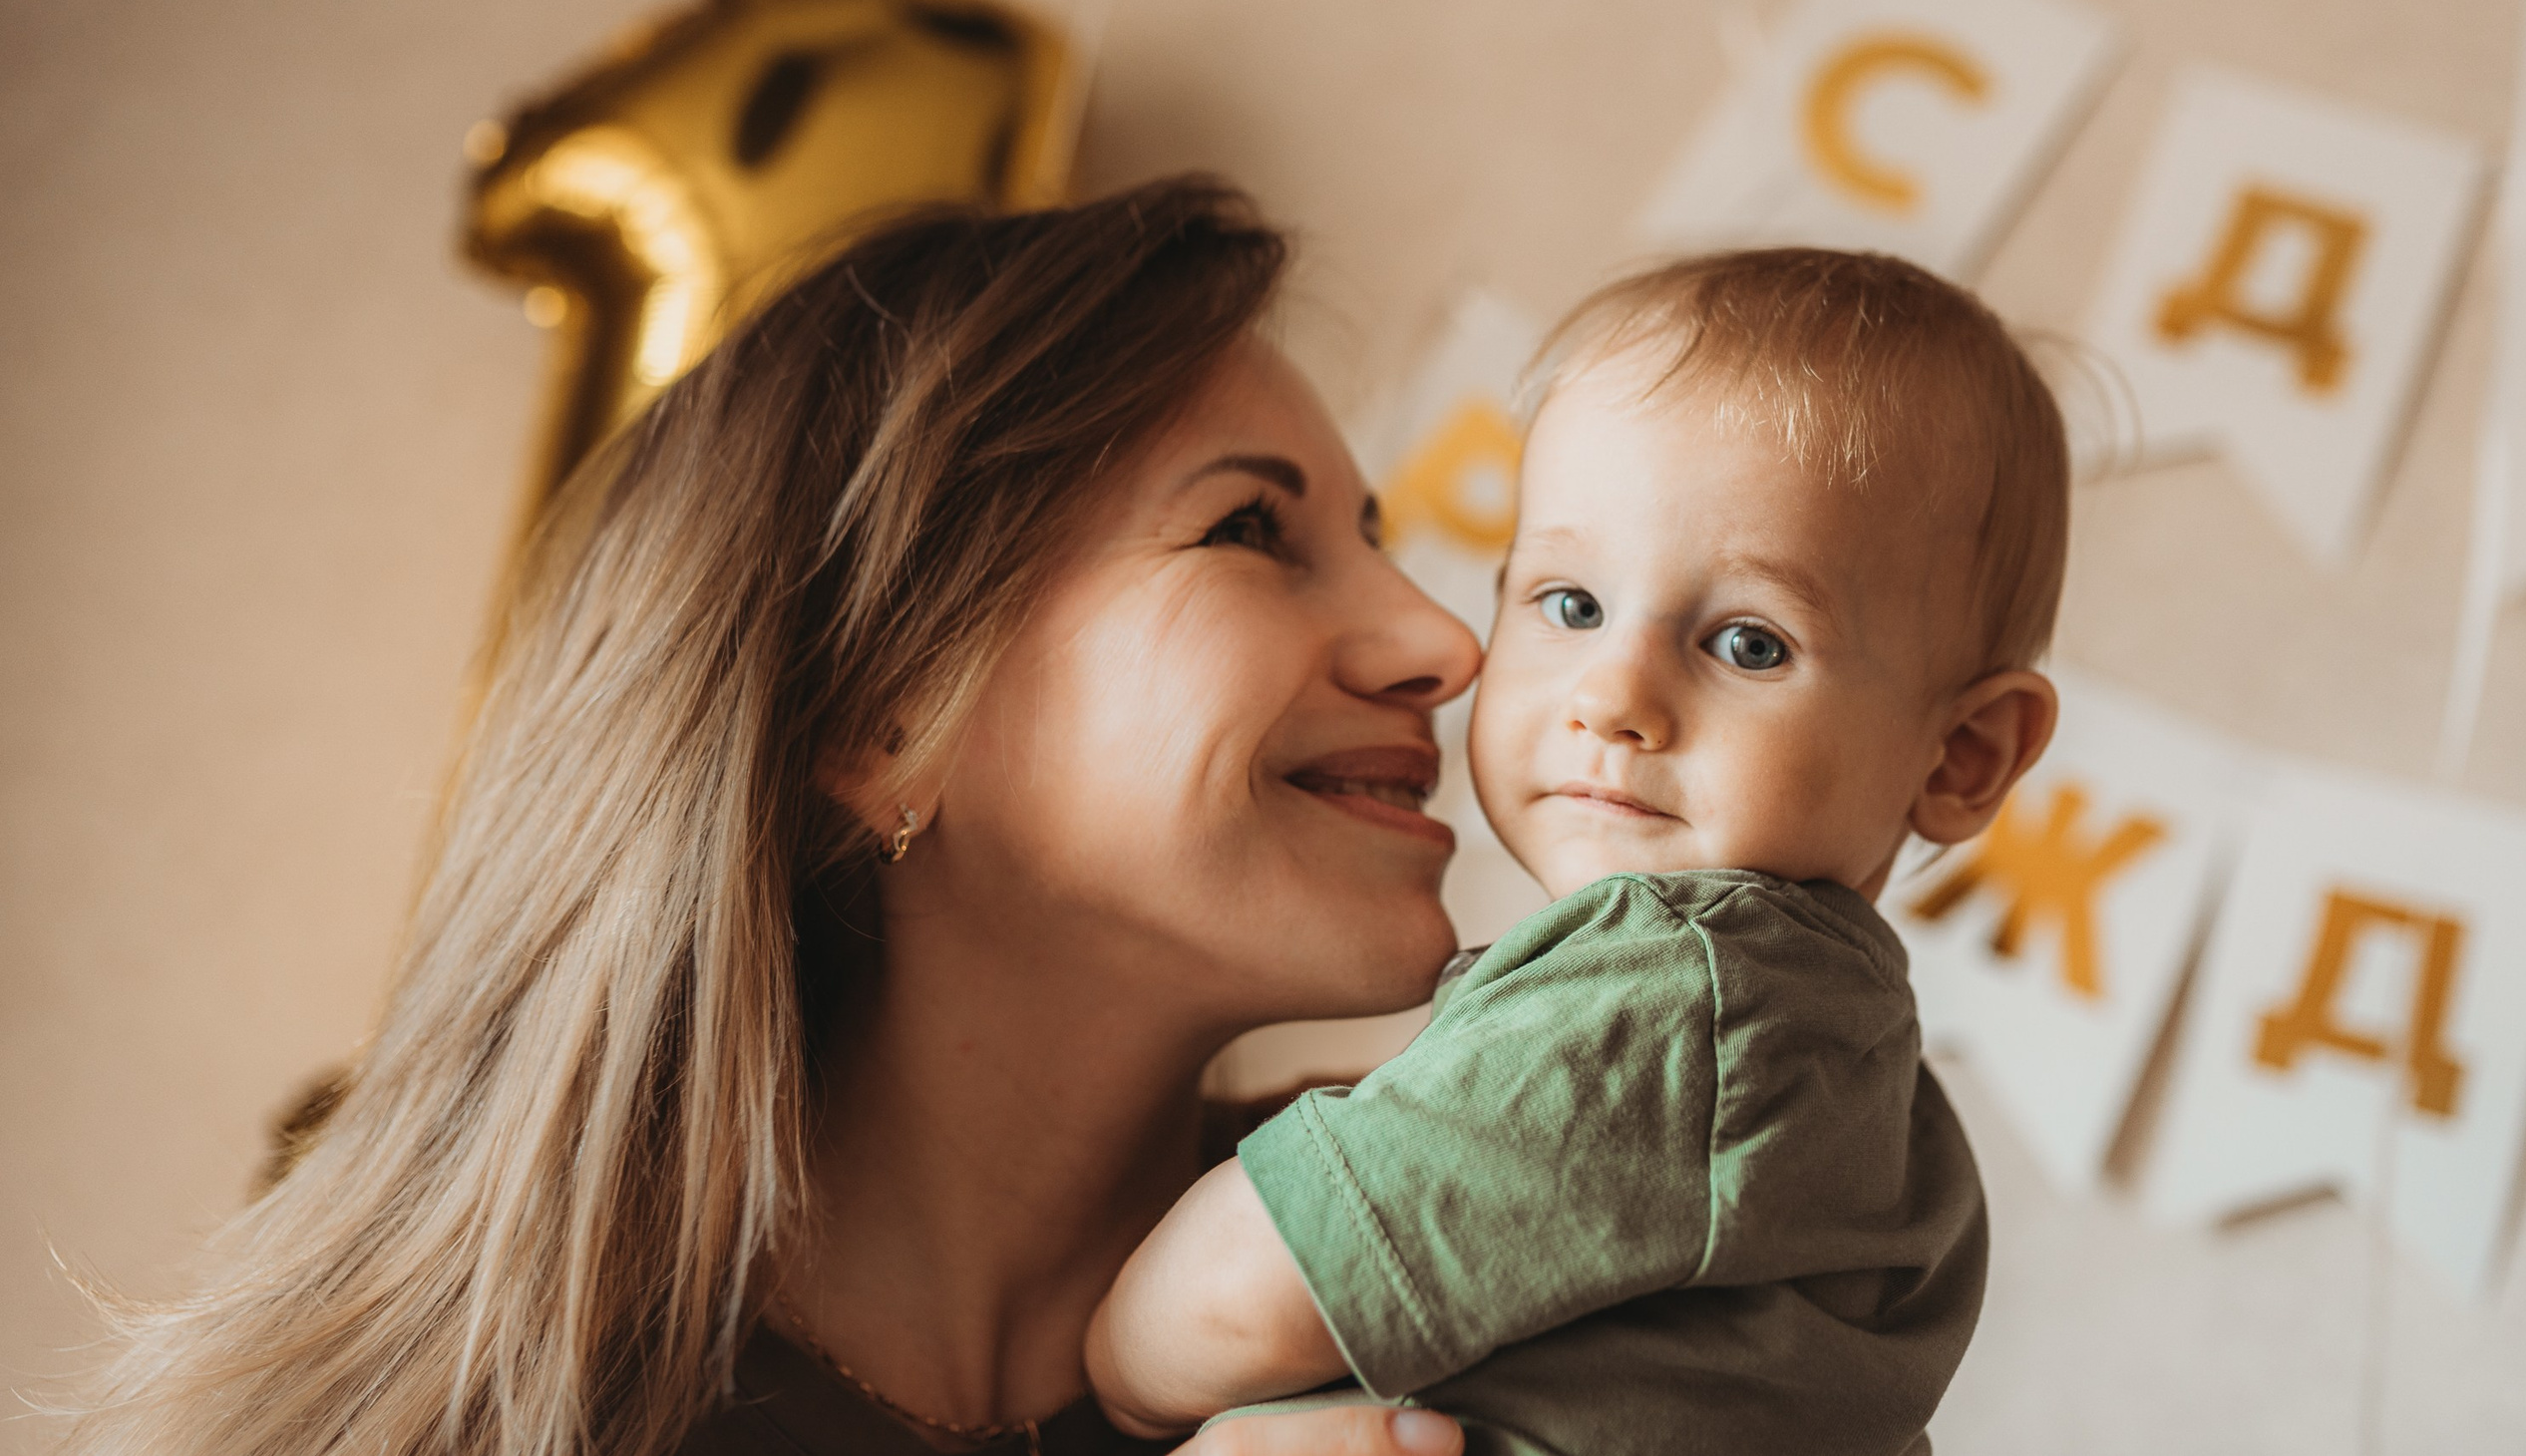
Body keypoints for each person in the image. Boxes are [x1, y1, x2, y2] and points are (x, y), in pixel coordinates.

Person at [64, 177, 1479, 1456]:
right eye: (1249, 531)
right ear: (881, 716)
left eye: (1375, 541)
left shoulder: (1491, 1264)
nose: (1442, 641)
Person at [1085, 249, 2069, 1456]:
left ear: (1963, 754)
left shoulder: (1682, 996)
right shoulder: (1847, 1067)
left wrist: (1121, 1371)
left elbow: (1244, 1290)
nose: (1613, 694)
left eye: (1750, 642)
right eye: (1570, 604)